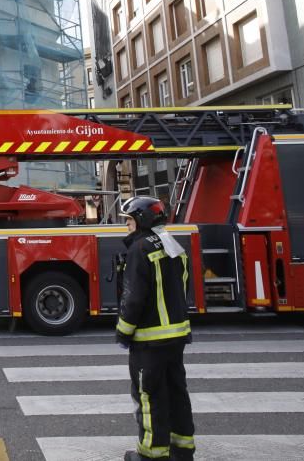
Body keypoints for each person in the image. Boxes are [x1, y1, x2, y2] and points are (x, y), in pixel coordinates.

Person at [116, 196, 195, 461]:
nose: (126, 226)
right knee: (177, 394)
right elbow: (183, 288)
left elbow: (134, 297)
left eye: (128, 220)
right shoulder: (174, 245)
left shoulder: (139, 249)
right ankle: (182, 451)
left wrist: (123, 332)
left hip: (149, 342)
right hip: (177, 337)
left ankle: (151, 455)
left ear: (141, 220)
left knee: (149, 398)